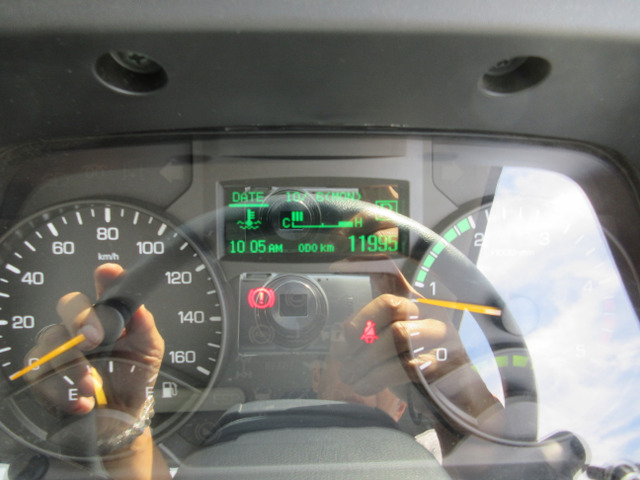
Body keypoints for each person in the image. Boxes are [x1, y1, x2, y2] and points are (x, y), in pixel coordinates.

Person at [21, 263, 499, 479]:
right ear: (315, 378)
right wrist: (123, 423)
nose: (371, 389)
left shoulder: (435, 451)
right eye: (355, 357)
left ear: (404, 400)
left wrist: (460, 397)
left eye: (382, 363)